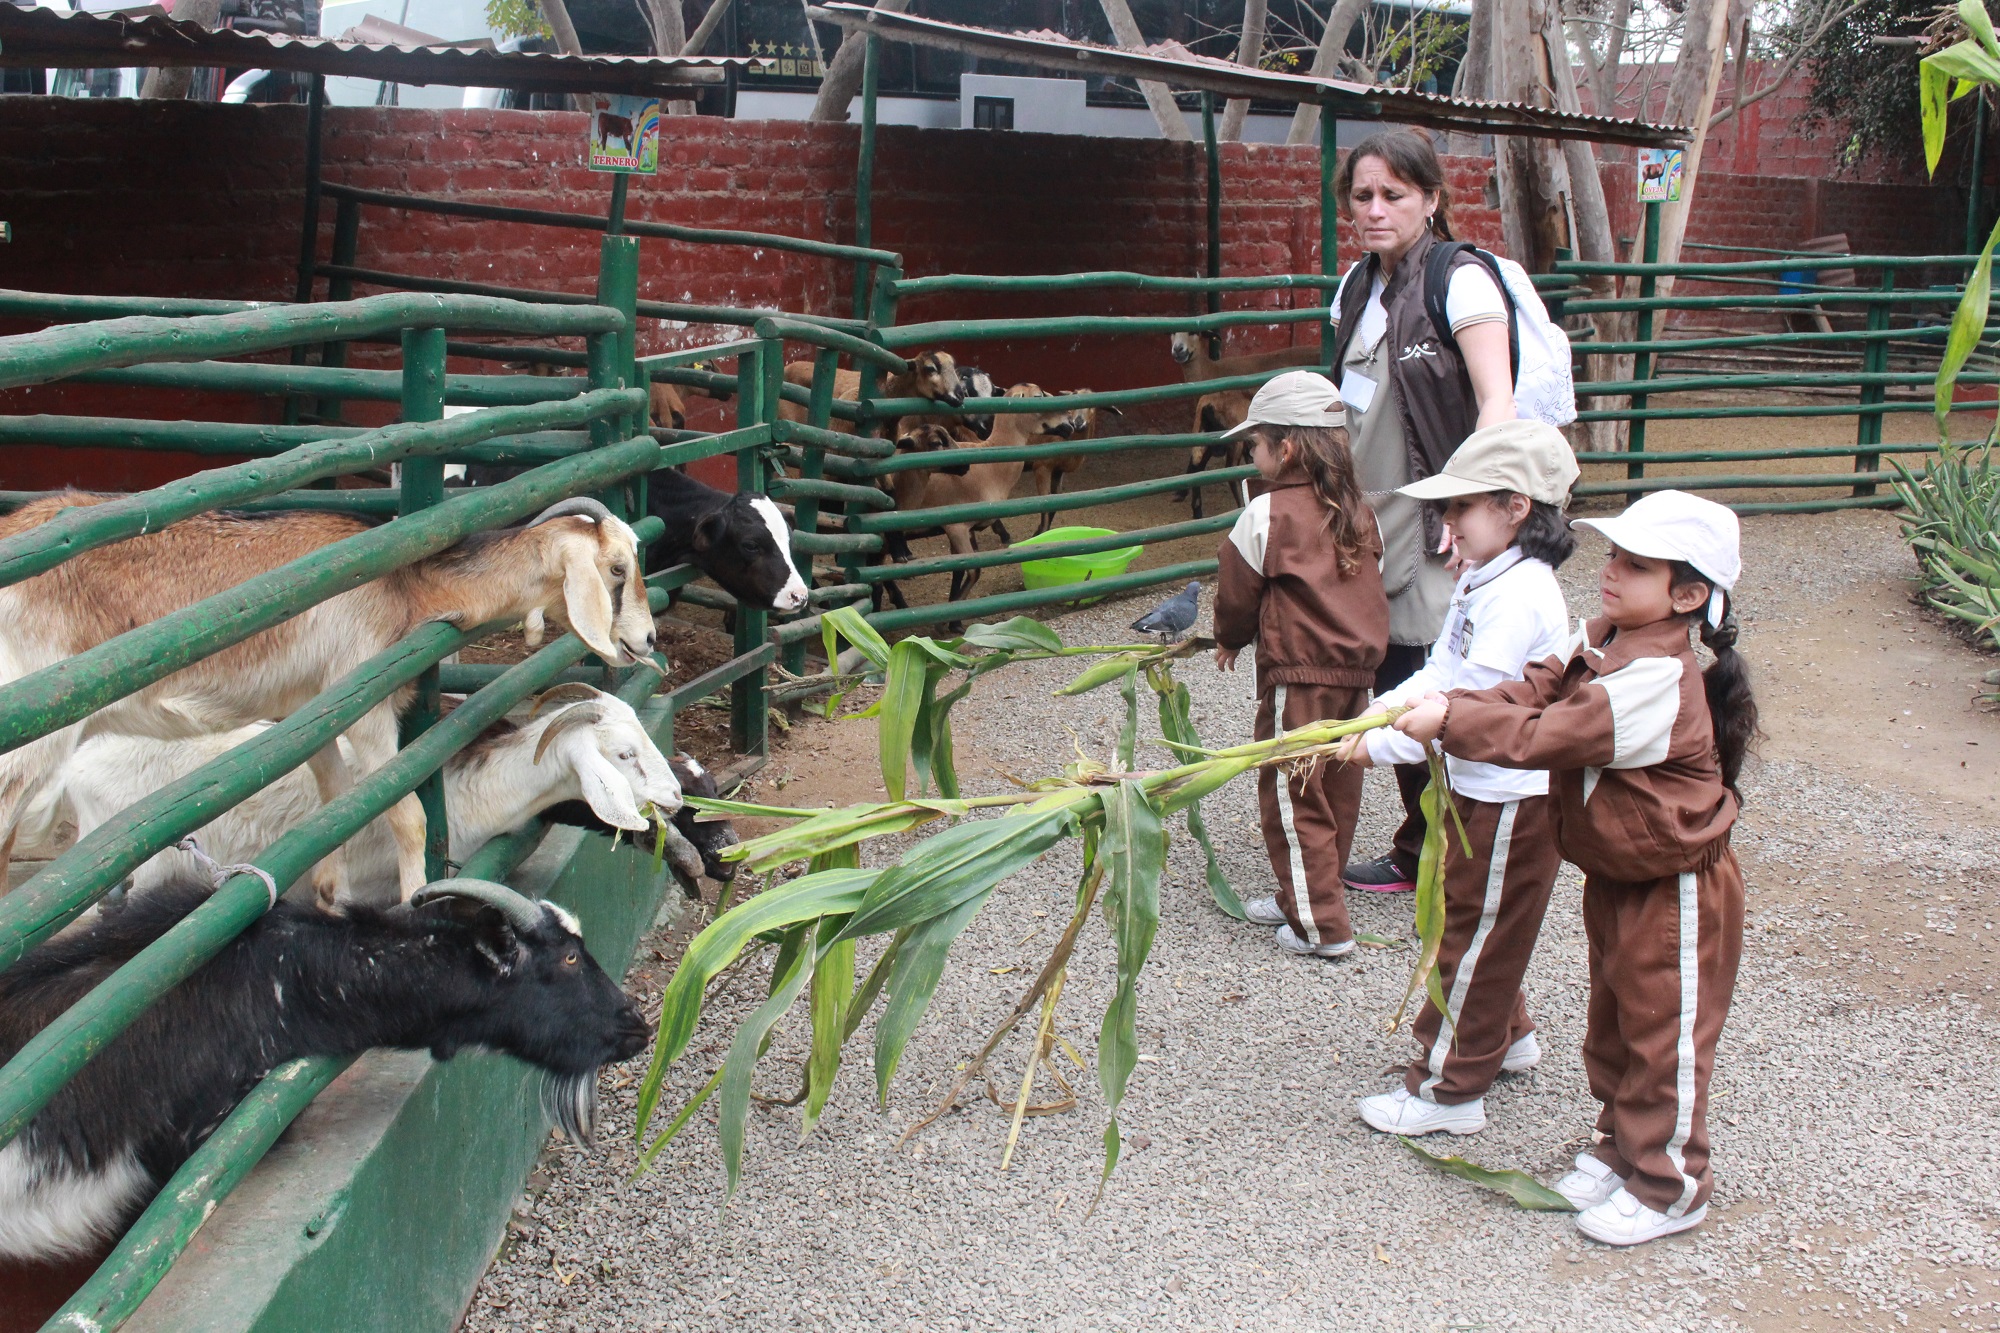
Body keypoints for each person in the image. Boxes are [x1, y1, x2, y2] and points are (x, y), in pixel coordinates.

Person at [1391, 490, 1758, 1247]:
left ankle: (1670, 1182)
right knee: (1616, 1020)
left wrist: (1452, 720)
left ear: (1689, 595)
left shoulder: (1659, 676)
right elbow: (1530, 689)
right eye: (1615, 554)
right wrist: (1450, 700)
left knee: (1665, 1031)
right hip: (1620, 870)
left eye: (1636, 563)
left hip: (1675, 881)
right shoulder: (1601, 636)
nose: (1611, 570)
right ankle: (1619, 1146)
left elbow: (1550, 732)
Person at [1330, 419, 1579, 1137]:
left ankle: (1447, 1089)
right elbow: (1440, 672)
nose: (1448, 522)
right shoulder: (1486, 579)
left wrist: (1377, 748)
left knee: (1470, 932)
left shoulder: (1520, 596)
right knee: (1482, 921)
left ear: (1515, 508)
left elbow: (1467, 706)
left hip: (1511, 797)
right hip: (1479, 787)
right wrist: (1368, 718)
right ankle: (1511, 1036)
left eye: (1462, 507)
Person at [1325, 127, 1520, 898]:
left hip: (1441, 516)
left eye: (1393, 195)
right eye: (1362, 196)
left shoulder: (1460, 280)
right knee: (1400, 673)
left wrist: (1473, 505)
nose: (1374, 210)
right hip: (1373, 518)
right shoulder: (1355, 286)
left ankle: (1466, 855)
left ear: (1431, 200)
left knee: (1452, 683)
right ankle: (1424, 847)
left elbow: (1496, 397)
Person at [1213, 371, 1388, 959]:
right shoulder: (1363, 512)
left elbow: (1236, 593)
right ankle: (1309, 895)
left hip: (1300, 678)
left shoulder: (1265, 515)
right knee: (1337, 789)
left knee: (1293, 796)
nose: (1252, 455)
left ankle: (1321, 927)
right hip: (1357, 677)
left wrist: (1229, 639)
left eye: (1255, 444)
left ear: (1285, 448)